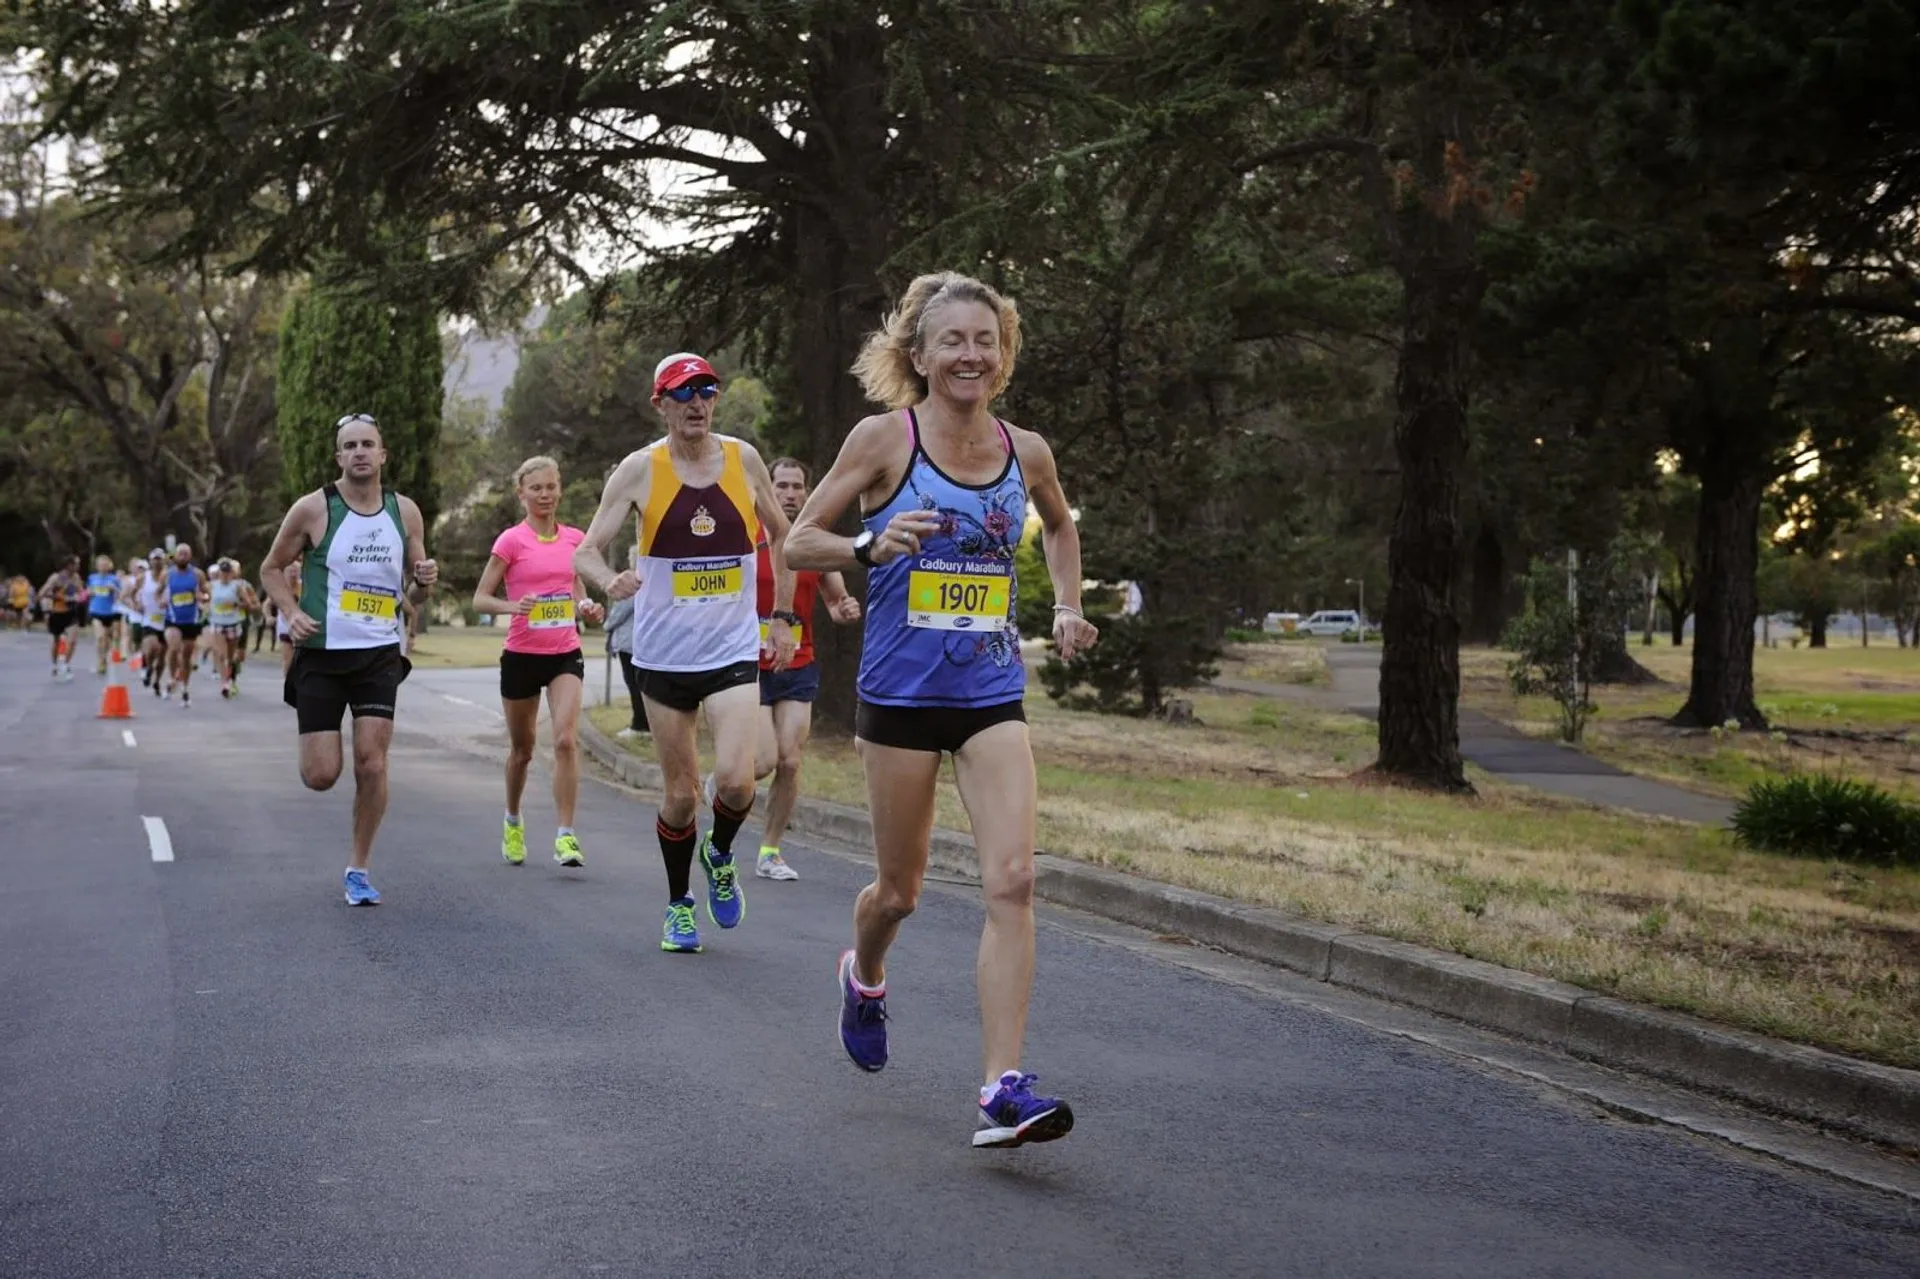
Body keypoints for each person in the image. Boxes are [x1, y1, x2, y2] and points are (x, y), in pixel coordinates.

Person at [786, 271, 1100, 1149]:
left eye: (985, 341)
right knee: (899, 892)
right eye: (952, 341)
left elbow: (1060, 523)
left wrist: (1067, 603)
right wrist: (868, 541)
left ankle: (1002, 1088)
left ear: (1003, 355)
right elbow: (798, 541)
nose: (971, 354)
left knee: (1014, 879)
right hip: (899, 696)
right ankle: (864, 974)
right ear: (920, 356)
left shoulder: (1026, 451)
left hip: (991, 694)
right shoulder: (884, 439)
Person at [573, 352, 798, 954]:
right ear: (661, 404)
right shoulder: (639, 469)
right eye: (683, 393)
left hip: (731, 649)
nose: (697, 402)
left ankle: (719, 853)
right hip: (664, 657)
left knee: (738, 783)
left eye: (707, 391)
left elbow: (782, 535)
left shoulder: (743, 459)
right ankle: (679, 905)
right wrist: (608, 581)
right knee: (679, 796)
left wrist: (782, 618)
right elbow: (586, 550)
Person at [261, 413, 437, 906]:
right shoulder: (313, 509)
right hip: (321, 654)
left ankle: (358, 868)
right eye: (351, 445)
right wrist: (292, 612)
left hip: (378, 653)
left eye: (368, 444)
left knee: (372, 763)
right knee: (321, 775)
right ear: (339, 457)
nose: (360, 452)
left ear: (382, 455)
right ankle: (321, 745)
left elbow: (414, 596)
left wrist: (424, 582)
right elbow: (271, 568)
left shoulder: (405, 512)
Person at [473, 456, 606, 867]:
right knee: (523, 750)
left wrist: (586, 606)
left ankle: (566, 835)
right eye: (536, 488)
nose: (545, 495)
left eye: (550, 487)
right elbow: (480, 599)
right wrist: (513, 606)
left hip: (564, 652)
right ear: (522, 494)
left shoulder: (575, 540)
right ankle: (513, 820)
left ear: (559, 489)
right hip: (521, 656)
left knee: (565, 740)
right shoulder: (511, 541)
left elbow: (575, 586)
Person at [747, 457, 862, 881]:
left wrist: (844, 609)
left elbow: (835, 601)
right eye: (781, 486)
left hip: (799, 660)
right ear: (766, 489)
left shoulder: (812, 544)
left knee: (791, 762)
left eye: (797, 487)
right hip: (750, 664)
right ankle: (724, 783)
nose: (790, 494)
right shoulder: (747, 537)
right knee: (762, 761)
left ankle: (770, 851)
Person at [603, 552, 650, 739]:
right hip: (642, 642)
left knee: (634, 685)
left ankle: (640, 726)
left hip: (629, 643)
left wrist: (606, 625)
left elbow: (619, 613)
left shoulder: (633, 583)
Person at [161, 544, 209, 706]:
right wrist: (161, 601)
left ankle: (185, 688)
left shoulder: (197, 574)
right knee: (174, 648)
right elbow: (158, 592)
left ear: (190, 556)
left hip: (191, 620)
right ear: (175, 556)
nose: (182, 557)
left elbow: (207, 593)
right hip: (172, 619)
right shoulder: (167, 574)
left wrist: (202, 597)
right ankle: (171, 677)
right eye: (180, 554)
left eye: (185, 554)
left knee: (187, 656)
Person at [206, 559, 257, 698]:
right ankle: (225, 683)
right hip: (217, 623)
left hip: (233, 623)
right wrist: (205, 606)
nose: (225, 575)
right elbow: (204, 598)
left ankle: (230, 678)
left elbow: (248, 604)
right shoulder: (211, 586)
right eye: (223, 572)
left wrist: (238, 604)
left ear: (231, 573)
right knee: (221, 655)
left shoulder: (237, 587)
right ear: (219, 573)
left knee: (230, 656)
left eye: (227, 572)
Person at [37, 556, 84, 679]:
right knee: (56, 641)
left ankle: (65, 665)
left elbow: (81, 592)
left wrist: (82, 596)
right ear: (69, 565)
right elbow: (41, 593)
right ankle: (54, 664)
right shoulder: (56, 577)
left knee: (73, 640)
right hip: (57, 612)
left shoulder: (76, 577)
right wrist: (60, 597)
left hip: (71, 612)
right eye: (76, 564)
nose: (78, 566)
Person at [136, 550, 169, 694]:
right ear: (150, 561)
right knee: (151, 648)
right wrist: (137, 604)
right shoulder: (144, 577)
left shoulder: (170, 576)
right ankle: (148, 667)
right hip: (149, 619)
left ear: (164, 561)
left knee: (162, 655)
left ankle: (156, 681)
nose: (157, 562)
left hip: (167, 619)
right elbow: (133, 593)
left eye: (159, 559)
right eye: (154, 559)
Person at [83, 554, 121, 673]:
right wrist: (89, 593)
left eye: (105, 565)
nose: (103, 567)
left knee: (107, 639)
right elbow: (87, 592)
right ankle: (101, 660)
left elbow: (120, 596)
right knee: (100, 637)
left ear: (109, 566)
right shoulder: (92, 578)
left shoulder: (114, 579)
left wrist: (114, 589)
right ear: (97, 566)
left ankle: (104, 659)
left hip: (110, 612)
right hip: (95, 611)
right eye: (100, 565)